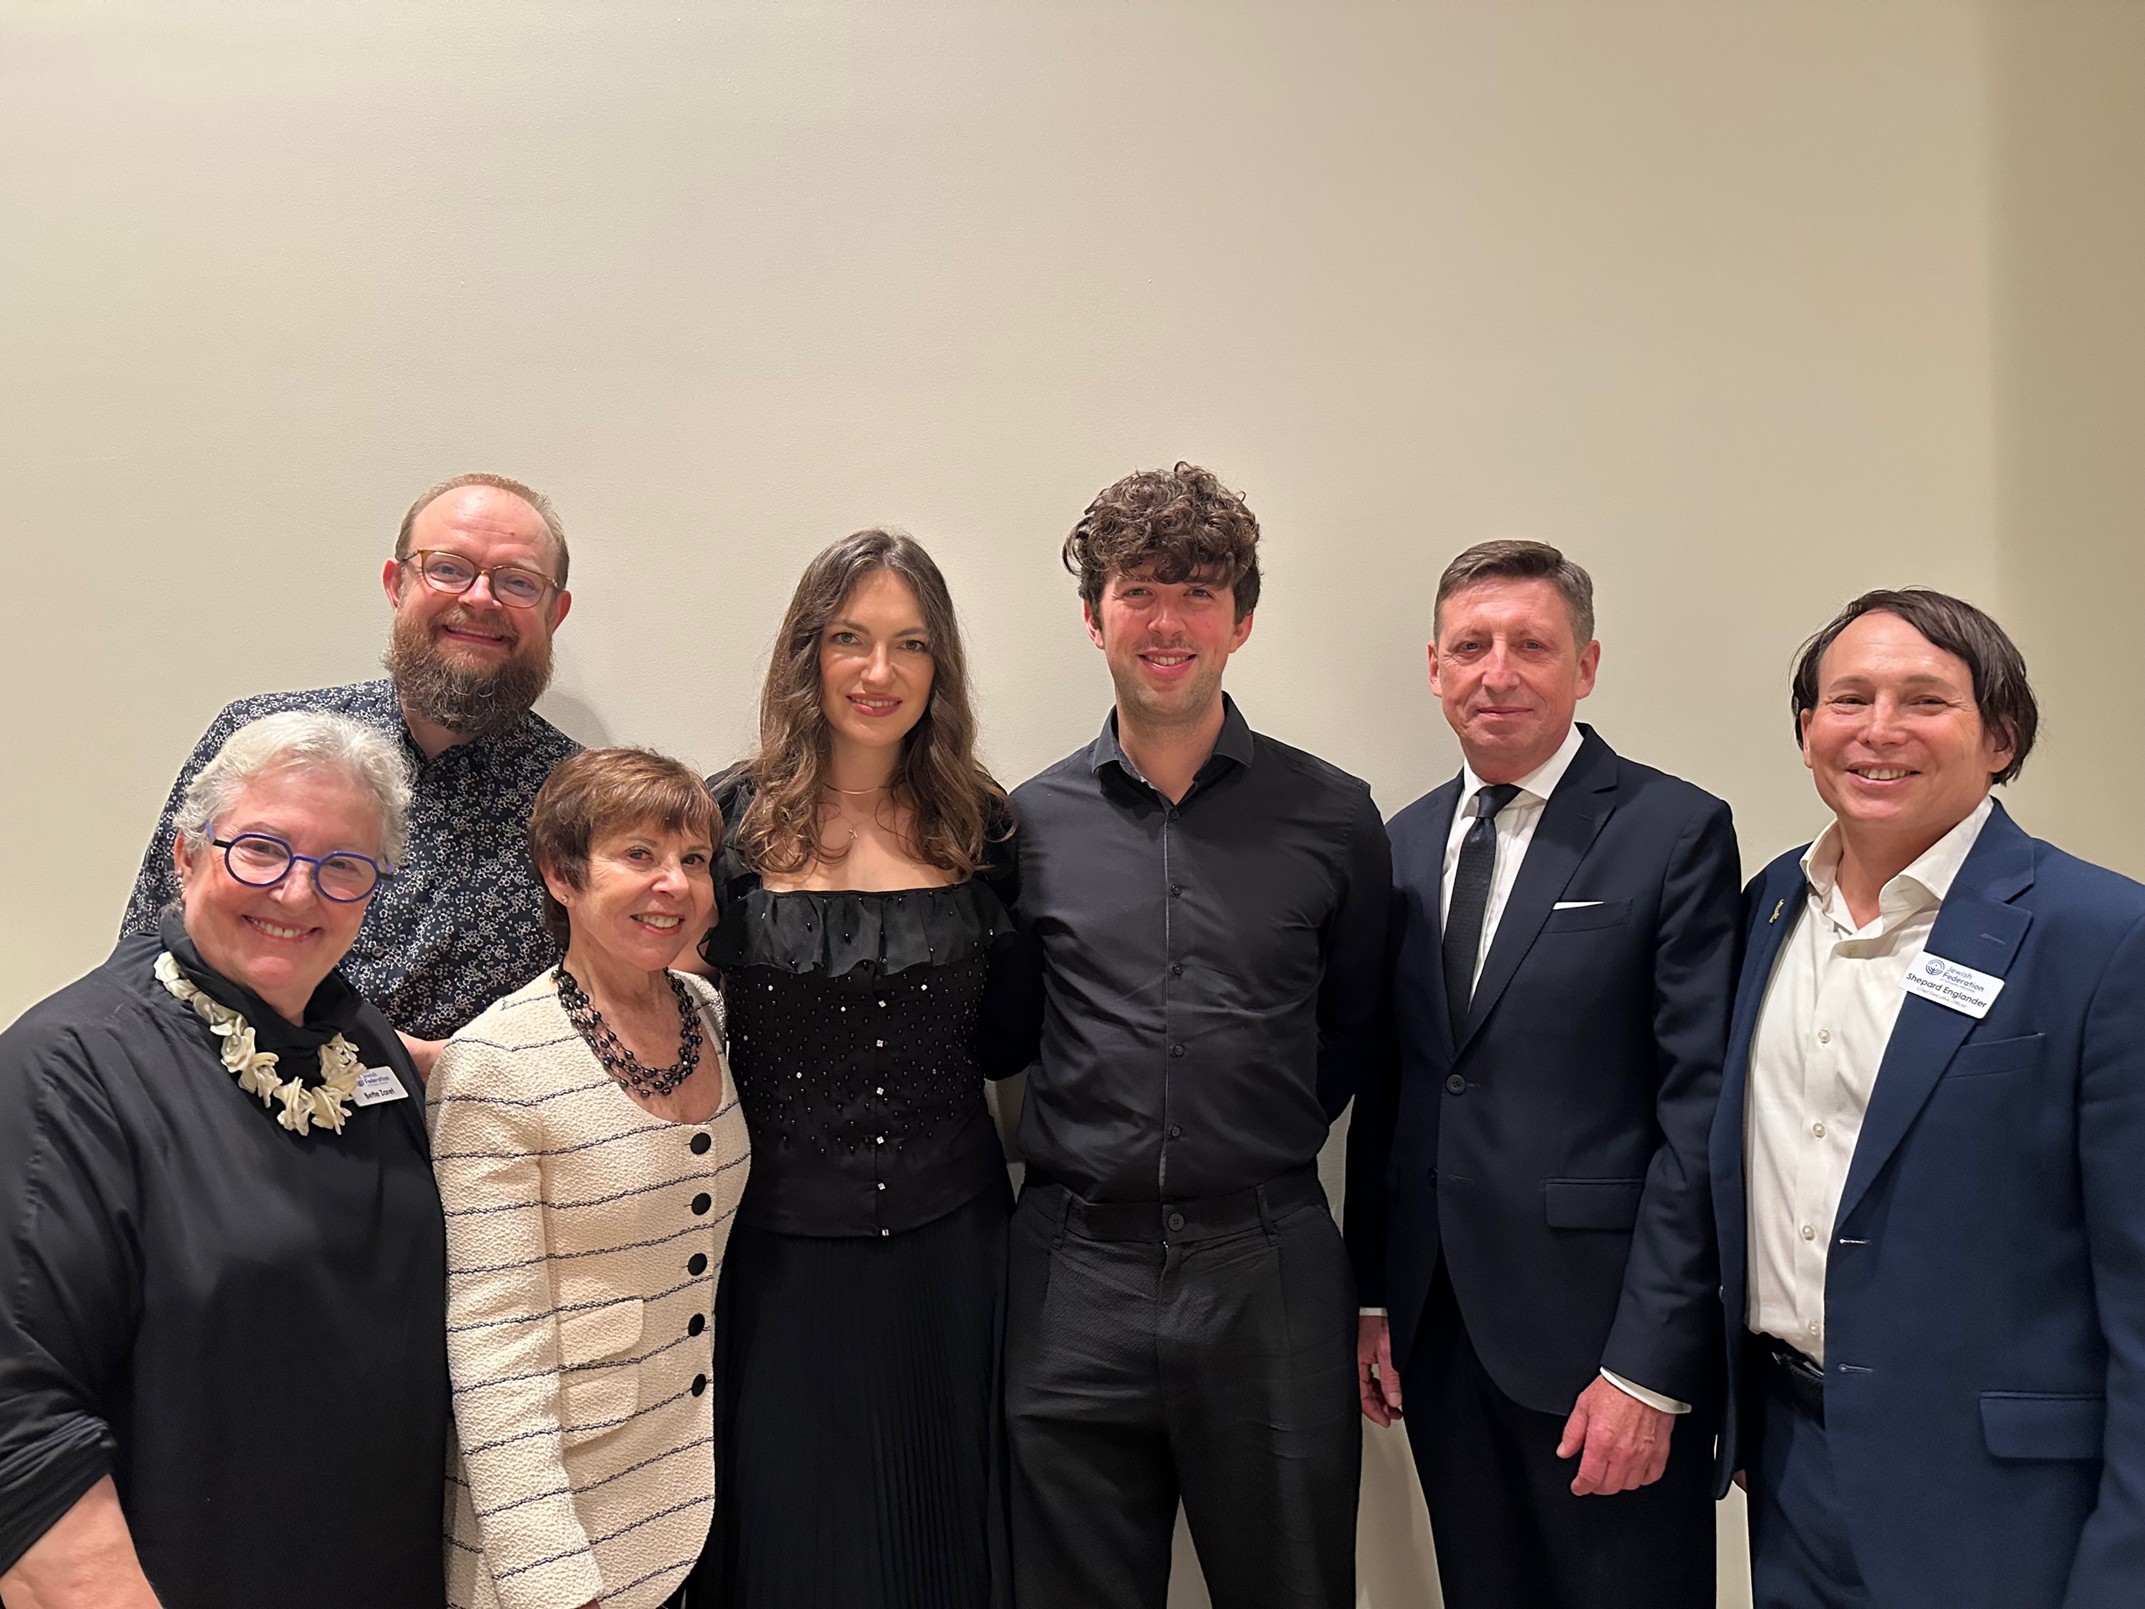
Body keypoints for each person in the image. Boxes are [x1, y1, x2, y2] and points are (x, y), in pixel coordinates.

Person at [1710, 590, 2145, 1609]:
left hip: (2005, 1497)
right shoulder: (1768, 905)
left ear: (2001, 737)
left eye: (1925, 700)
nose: (1879, 729)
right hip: (1790, 1468)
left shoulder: (2103, 934)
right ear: (1807, 732)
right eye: (1847, 698)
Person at [1005, 463, 1388, 1609]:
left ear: (1243, 617)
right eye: (1137, 590)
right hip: (1070, 1268)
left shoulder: (1334, 815)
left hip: (1266, 1264)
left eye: (1199, 590)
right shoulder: (1023, 825)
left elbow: (1355, 1028)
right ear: (1093, 617)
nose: (1167, 622)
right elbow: (1013, 1024)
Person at [1346, 540, 1739, 1609]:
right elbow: (1398, 1087)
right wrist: (1377, 1292)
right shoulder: (1401, 839)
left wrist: (1653, 1363)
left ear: (1588, 664)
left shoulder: (1672, 831)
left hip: (1601, 1346)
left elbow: (1699, 1114)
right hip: (1441, 1337)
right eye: (1471, 646)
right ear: (1434, 668)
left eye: (1532, 644)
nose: (1499, 671)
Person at [0, 711, 446, 1609]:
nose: (296, 893)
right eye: (262, 850)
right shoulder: (67, 1069)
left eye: (343, 867)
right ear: (187, 855)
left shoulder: (359, 1044)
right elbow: (19, 1418)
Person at [699, 529, 1033, 1609]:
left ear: (942, 668)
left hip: (955, 1250)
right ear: (808, 653)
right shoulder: (725, 824)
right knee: (794, 1539)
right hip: (775, 1260)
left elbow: (1011, 1039)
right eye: (850, 638)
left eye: (910, 643)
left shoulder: (987, 828)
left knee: (946, 1541)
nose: (878, 672)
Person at [122, 471, 581, 1075]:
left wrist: (463, 1066)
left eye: (518, 582)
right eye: (447, 568)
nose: (479, 598)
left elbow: (607, 1018)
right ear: (396, 584)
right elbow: (144, 953)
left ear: (555, 613)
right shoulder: (260, 739)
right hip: (216, 1117)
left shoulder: (583, 804)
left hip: (459, 1155)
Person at [429, 747, 749, 1609]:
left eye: (690, 859)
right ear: (560, 874)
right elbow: (495, 1345)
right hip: (554, 1529)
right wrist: (551, 1581)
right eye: (637, 855)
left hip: (684, 1499)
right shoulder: (497, 1062)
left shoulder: (711, 1017)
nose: (673, 884)